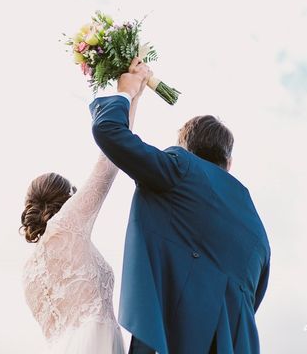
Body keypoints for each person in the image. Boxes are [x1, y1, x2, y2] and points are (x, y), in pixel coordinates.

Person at [91, 59, 271, 354]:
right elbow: (253, 300)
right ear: (229, 163)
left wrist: (126, 91)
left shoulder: (181, 169)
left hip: (176, 338)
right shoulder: (258, 231)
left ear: (186, 149)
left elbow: (108, 131)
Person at [20, 65, 148, 354]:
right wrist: (129, 95)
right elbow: (108, 164)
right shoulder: (67, 226)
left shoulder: (27, 273)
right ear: (68, 198)